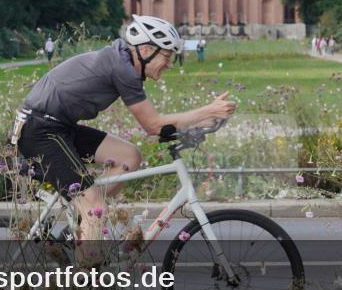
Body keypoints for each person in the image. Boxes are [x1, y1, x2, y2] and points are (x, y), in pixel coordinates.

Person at [14, 15, 236, 267]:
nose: (169, 64)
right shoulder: (122, 69)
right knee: (93, 206)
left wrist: (198, 124)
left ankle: (86, 221)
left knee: (130, 157)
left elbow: (158, 125)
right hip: (40, 130)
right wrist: (208, 111)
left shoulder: (124, 62)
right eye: (167, 56)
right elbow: (153, 125)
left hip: (58, 126)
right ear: (145, 50)